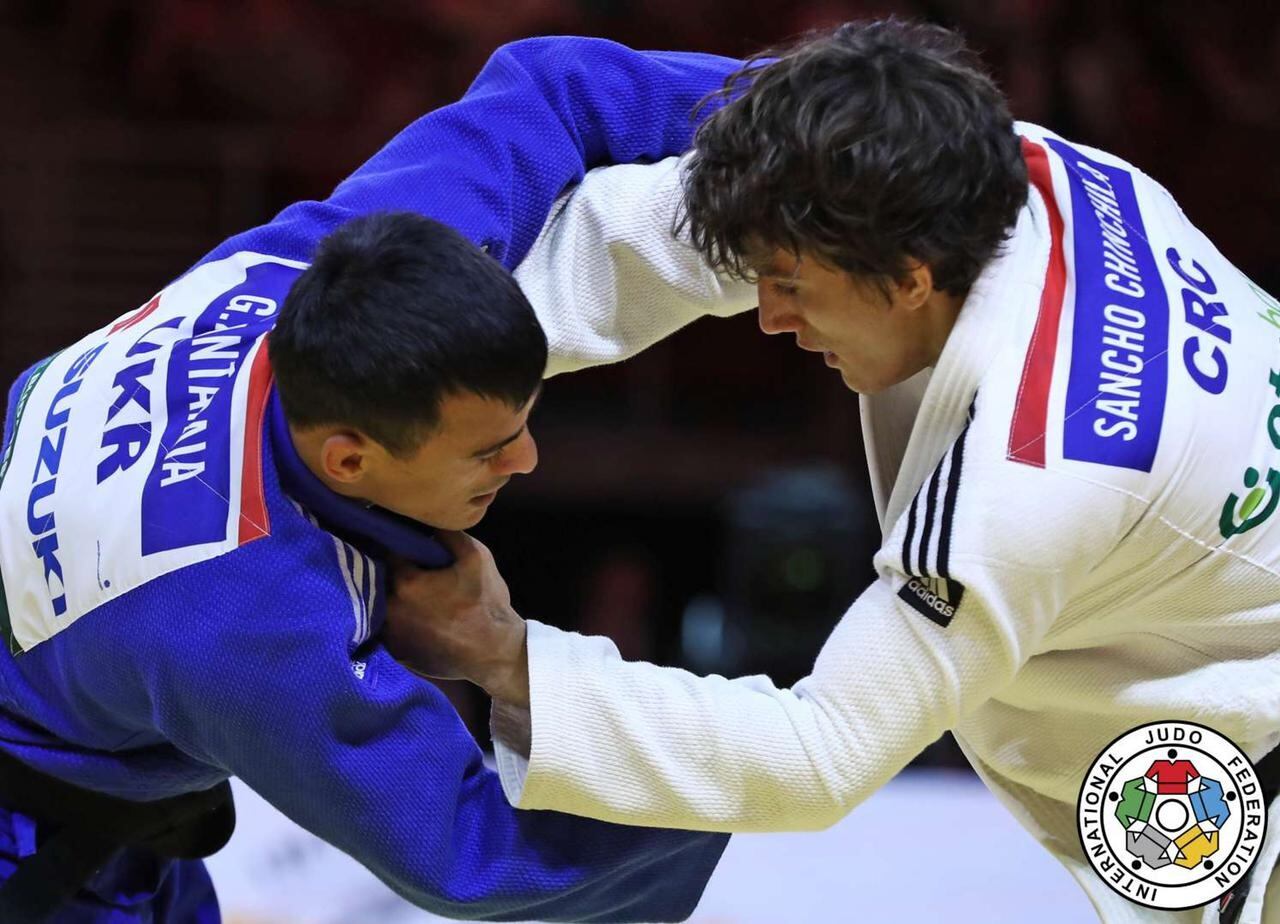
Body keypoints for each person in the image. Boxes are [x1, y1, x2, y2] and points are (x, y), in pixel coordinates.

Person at [385, 20, 1280, 924]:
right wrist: (402, 355)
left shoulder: (1035, 475)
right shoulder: (994, 167)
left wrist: (506, 657)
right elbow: (661, 241)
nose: (766, 315)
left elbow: (825, 751)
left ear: (912, 280)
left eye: (791, 285)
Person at [0, 36, 752, 922]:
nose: (528, 461)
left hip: (98, 739)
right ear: (349, 460)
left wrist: (838, 116)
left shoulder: (319, 266)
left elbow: (553, 86)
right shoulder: (251, 618)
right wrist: (737, 769)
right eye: (487, 451)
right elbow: (473, 860)